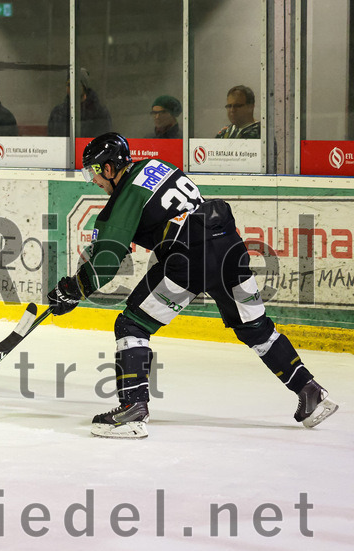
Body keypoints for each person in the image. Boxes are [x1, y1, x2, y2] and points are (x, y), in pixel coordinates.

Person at [47, 132, 339, 439]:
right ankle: (311, 392)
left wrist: (70, 289)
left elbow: (104, 265)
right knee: (256, 328)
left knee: (132, 326)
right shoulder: (157, 165)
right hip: (229, 247)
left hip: (191, 257)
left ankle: (133, 409)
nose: (93, 180)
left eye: (93, 171)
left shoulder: (125, 196)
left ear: (108, 168)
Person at [47, 68, 112, 137]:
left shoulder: (100, 114)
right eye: (69, 84)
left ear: (84, 87)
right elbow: (53, 141)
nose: (72, 88)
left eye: (76, 84)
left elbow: (103, 141)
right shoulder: (57, 113)